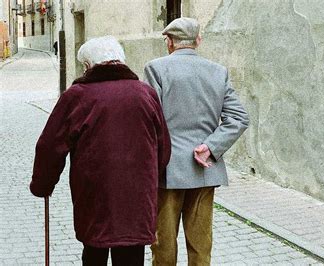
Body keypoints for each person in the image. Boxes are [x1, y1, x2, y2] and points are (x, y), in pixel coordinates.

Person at [30, 36, 171, 266]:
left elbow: (49, 146)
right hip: (137, 198)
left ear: (87, 66)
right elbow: (163, 147)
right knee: (132, 255)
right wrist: (151, 178)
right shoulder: (146, 93)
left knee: (94, 252)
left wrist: (42, 184)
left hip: (94, 197)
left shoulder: (77, 96)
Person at [144, 17, 249, 265]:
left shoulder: (155, 68)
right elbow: (239, 118)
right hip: (204, 168)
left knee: (163, 245)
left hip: (167, 170)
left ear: (169, 42)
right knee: (201, 246)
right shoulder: (218, 71)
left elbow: (149, 119)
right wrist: (211, 147)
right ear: (198, 41)